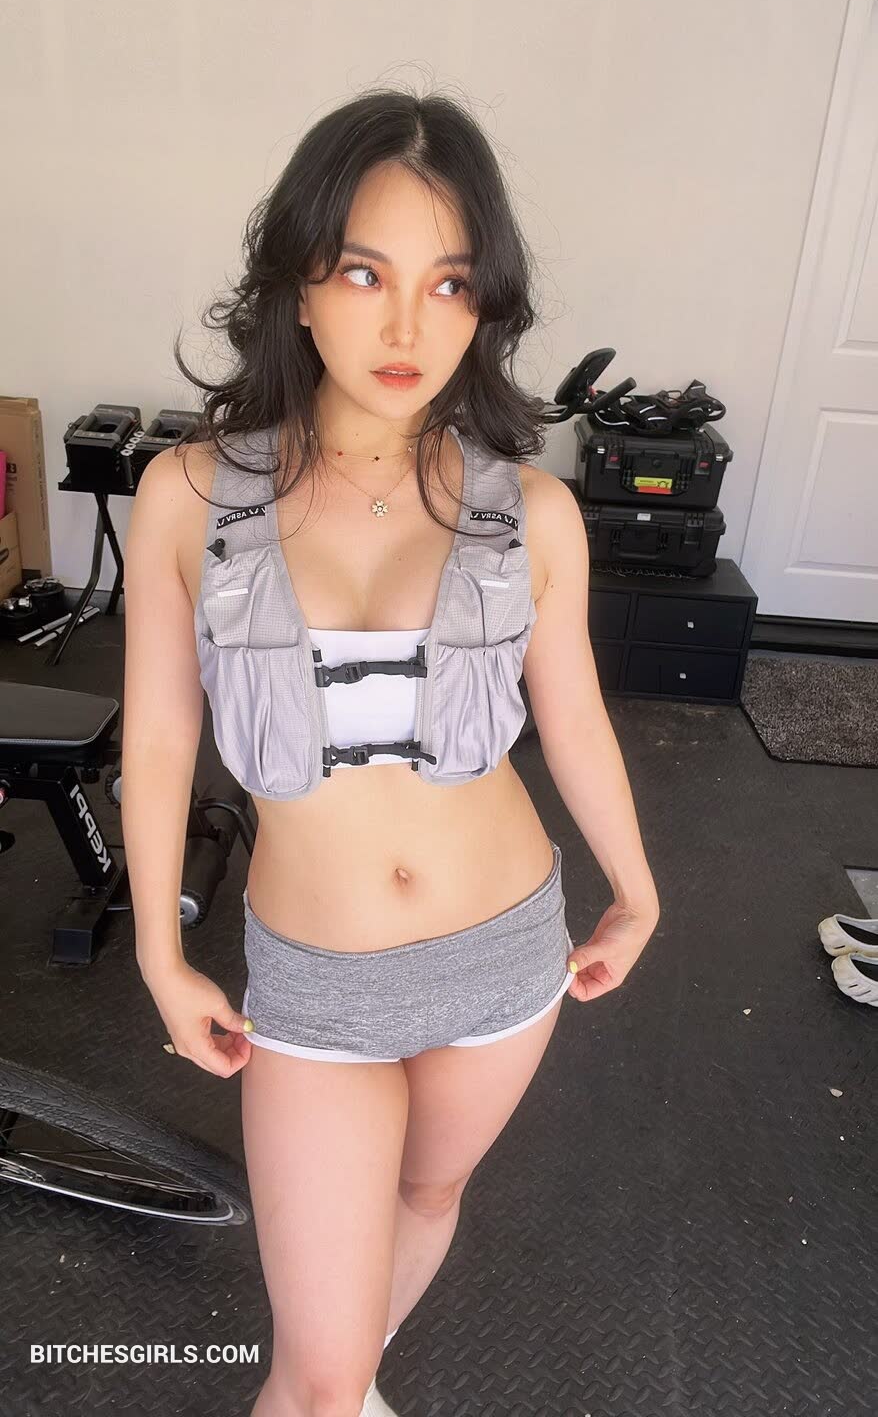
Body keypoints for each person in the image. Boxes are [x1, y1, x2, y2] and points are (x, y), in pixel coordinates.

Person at [122, 87, 660, 1417]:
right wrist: (159, 952)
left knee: (428, 1192)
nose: (407, 326)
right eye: (365, 273)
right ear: (299, 286)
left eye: (449, 283)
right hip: (317, 985)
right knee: (308, 1387)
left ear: (484, 306)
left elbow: (574, 715)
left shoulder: (534, 510)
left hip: (505, 951)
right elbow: (162, 733)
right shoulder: (186, 495)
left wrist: (638, 889)